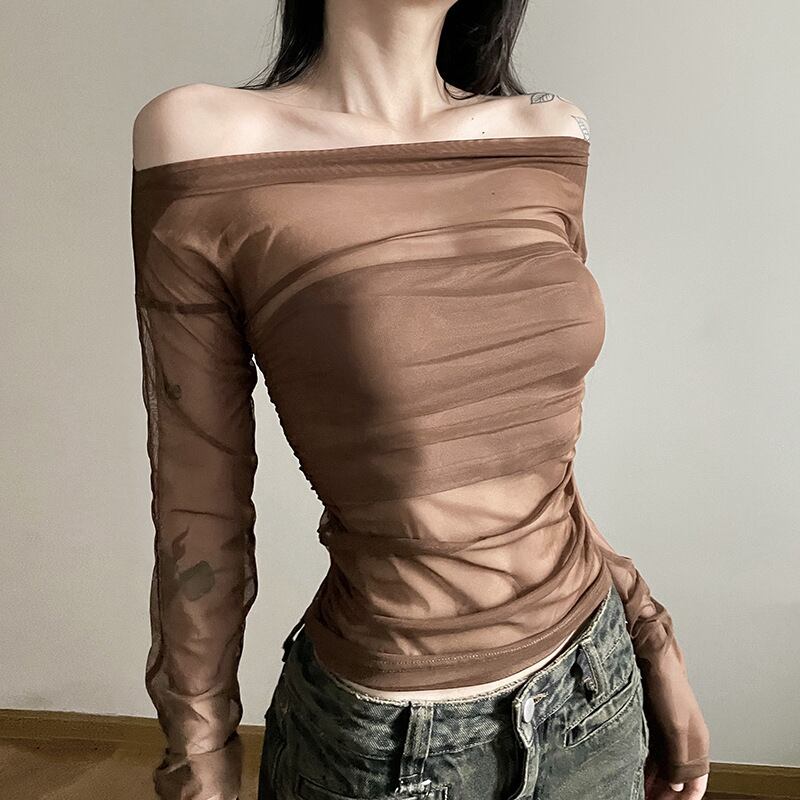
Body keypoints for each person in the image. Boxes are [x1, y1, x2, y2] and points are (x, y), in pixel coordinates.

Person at [130, 2, 710, 799]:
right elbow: (199, 499)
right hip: (389, 741)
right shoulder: (204, 139)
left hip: (593, 687)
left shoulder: (548, 133)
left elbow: (540, 468)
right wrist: (197, 761)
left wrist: (653, 638)